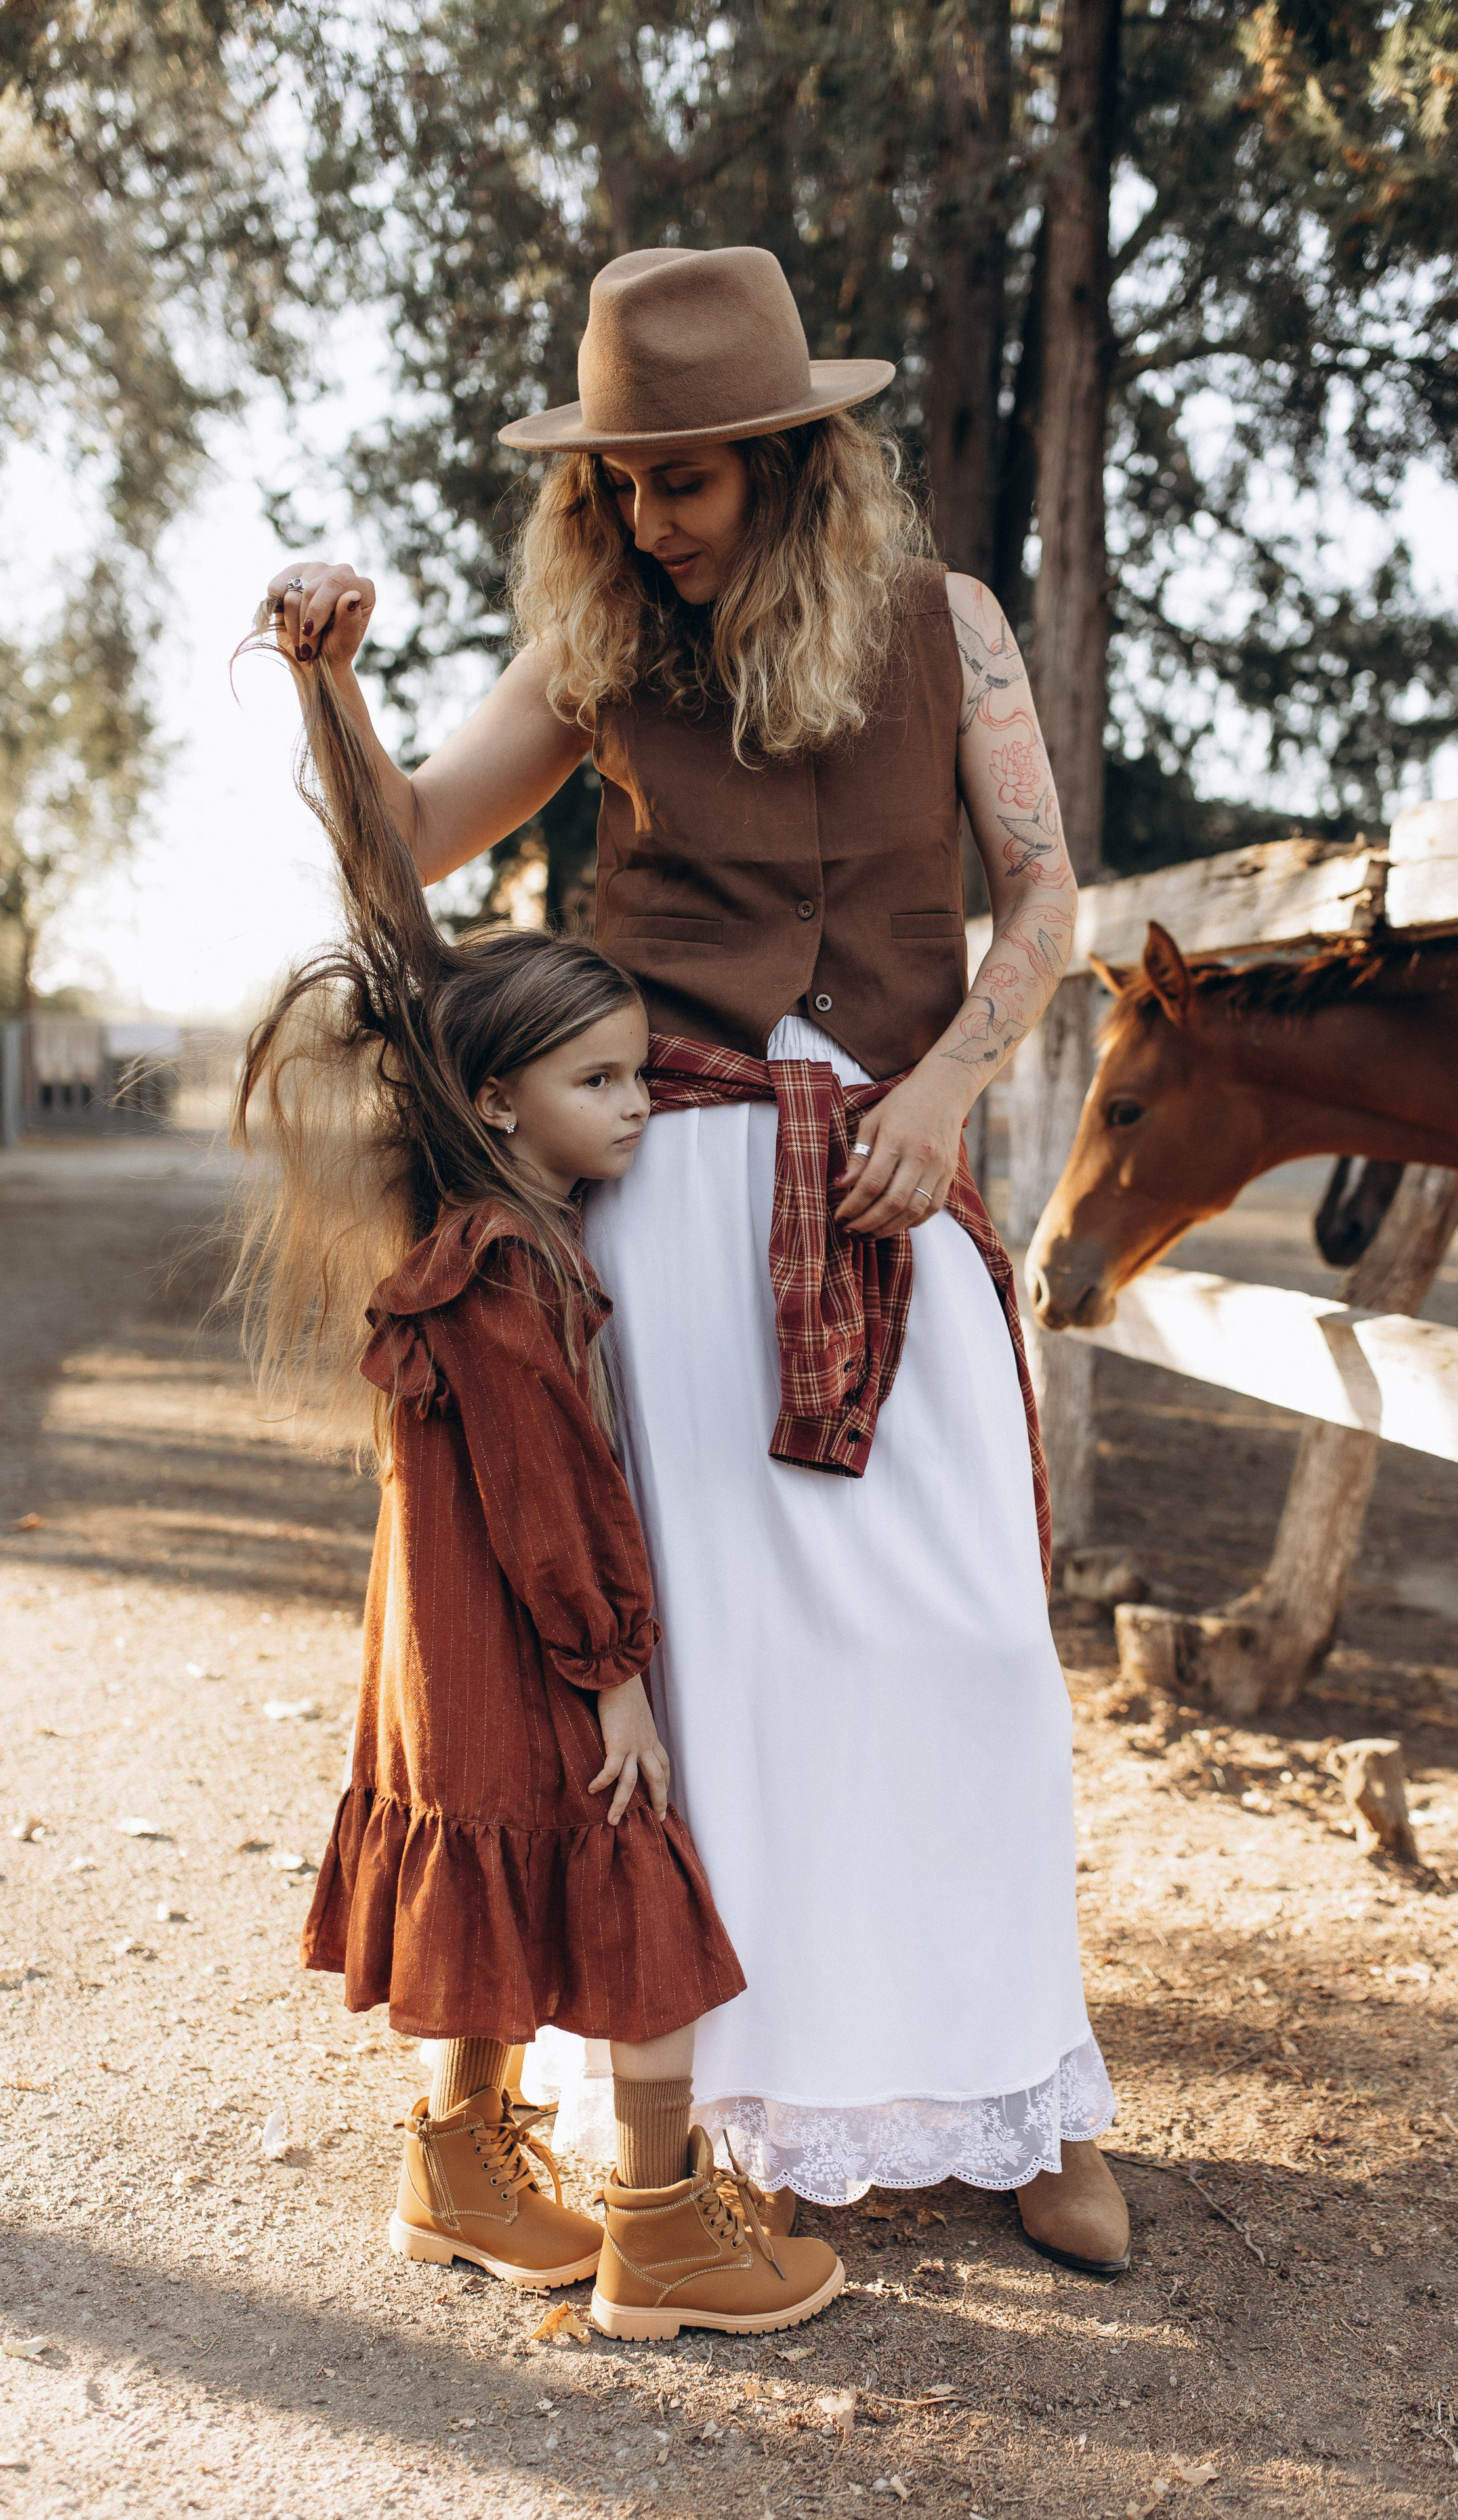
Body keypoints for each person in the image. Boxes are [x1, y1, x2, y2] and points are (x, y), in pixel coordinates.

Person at [263, 242, 1131, 2275]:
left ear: (789, 463)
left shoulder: (956, 630)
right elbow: (405, 849)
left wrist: (942, 1094)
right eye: (618, 487)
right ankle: (730, 2111)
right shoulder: (602, 655)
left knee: (981, 1645)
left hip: (893, 1187)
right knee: (727, 1676)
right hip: (665, 1190)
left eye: (687, 482)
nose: (647, 521)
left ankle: (1024, 2084)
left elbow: (1044, 905)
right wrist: (329, 679)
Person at [228, 665, 844, 2334]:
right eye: (602, 1085)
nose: (641, 1109)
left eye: (643, 1076)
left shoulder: (481, 1239)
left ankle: (457, 2165)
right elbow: (556, 1502)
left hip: (446, 1661)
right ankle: (661, 2233)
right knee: (633, 1880)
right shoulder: (511, 1270)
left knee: (498, 1890)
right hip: (524, 1651)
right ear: (497, 1099)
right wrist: (618, 1675)